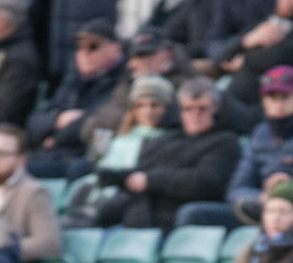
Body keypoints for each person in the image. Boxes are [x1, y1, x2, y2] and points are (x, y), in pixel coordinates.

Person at [201, 67, 293, 229]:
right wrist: (263, 197)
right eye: (272, 97)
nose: (278, 103)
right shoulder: (261, 132)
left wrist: (279, 193)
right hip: (264, 205)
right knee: (196, 214)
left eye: (285, 96)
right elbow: (235, 190)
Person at [99, 78, 240, 231]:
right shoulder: (169, 138)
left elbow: (205, 182)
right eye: (188, 109)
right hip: (145, 210)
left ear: (216, 109)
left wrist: (151, 181)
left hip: (178, 214)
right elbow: (142, 171)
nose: (195, 114)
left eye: (202, 108)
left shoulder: (226, 142)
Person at [25, 19, 125, 179]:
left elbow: (90, 124)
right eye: (80, 47)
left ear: (116, 48)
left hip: (83, 160)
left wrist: (55, 139)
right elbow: (33, 121)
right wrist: (57, 120)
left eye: (93, 47)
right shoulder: (73, 81)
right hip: (55, 155)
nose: (84, 53)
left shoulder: (121, 83)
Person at [0, 123, 61, 262]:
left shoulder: (34, 193)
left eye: (1, 154)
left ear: (21, 161)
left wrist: (0, 248)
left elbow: (49, 243)